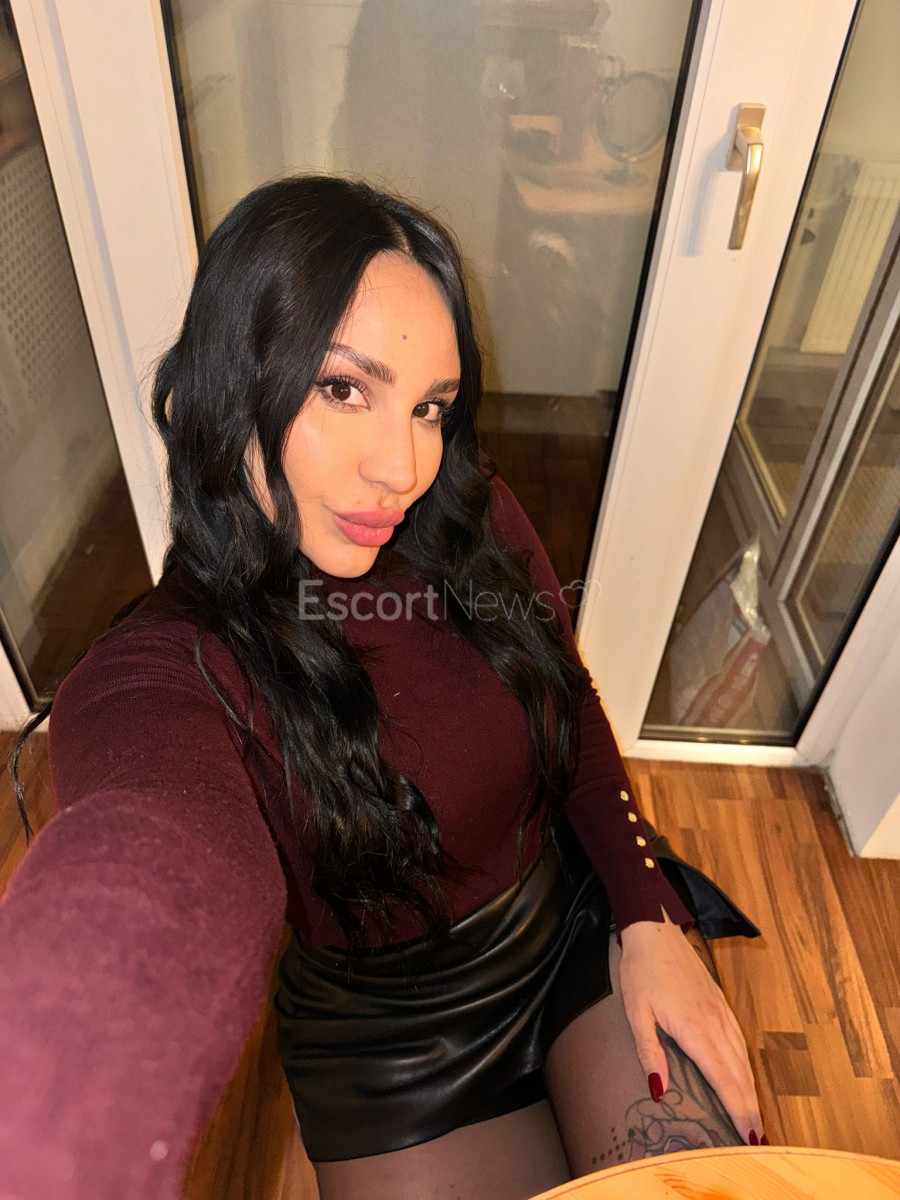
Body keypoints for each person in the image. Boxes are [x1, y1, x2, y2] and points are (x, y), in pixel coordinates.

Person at [0, 175, 765, 1200]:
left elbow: (572, 705)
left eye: (430, 408)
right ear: (233, 377)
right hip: (391, 1045)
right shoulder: (161, 674)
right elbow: (155, 865)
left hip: (574, 931)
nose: (402, 469)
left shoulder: (473, 521)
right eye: (344, 389)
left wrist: (647, 914)